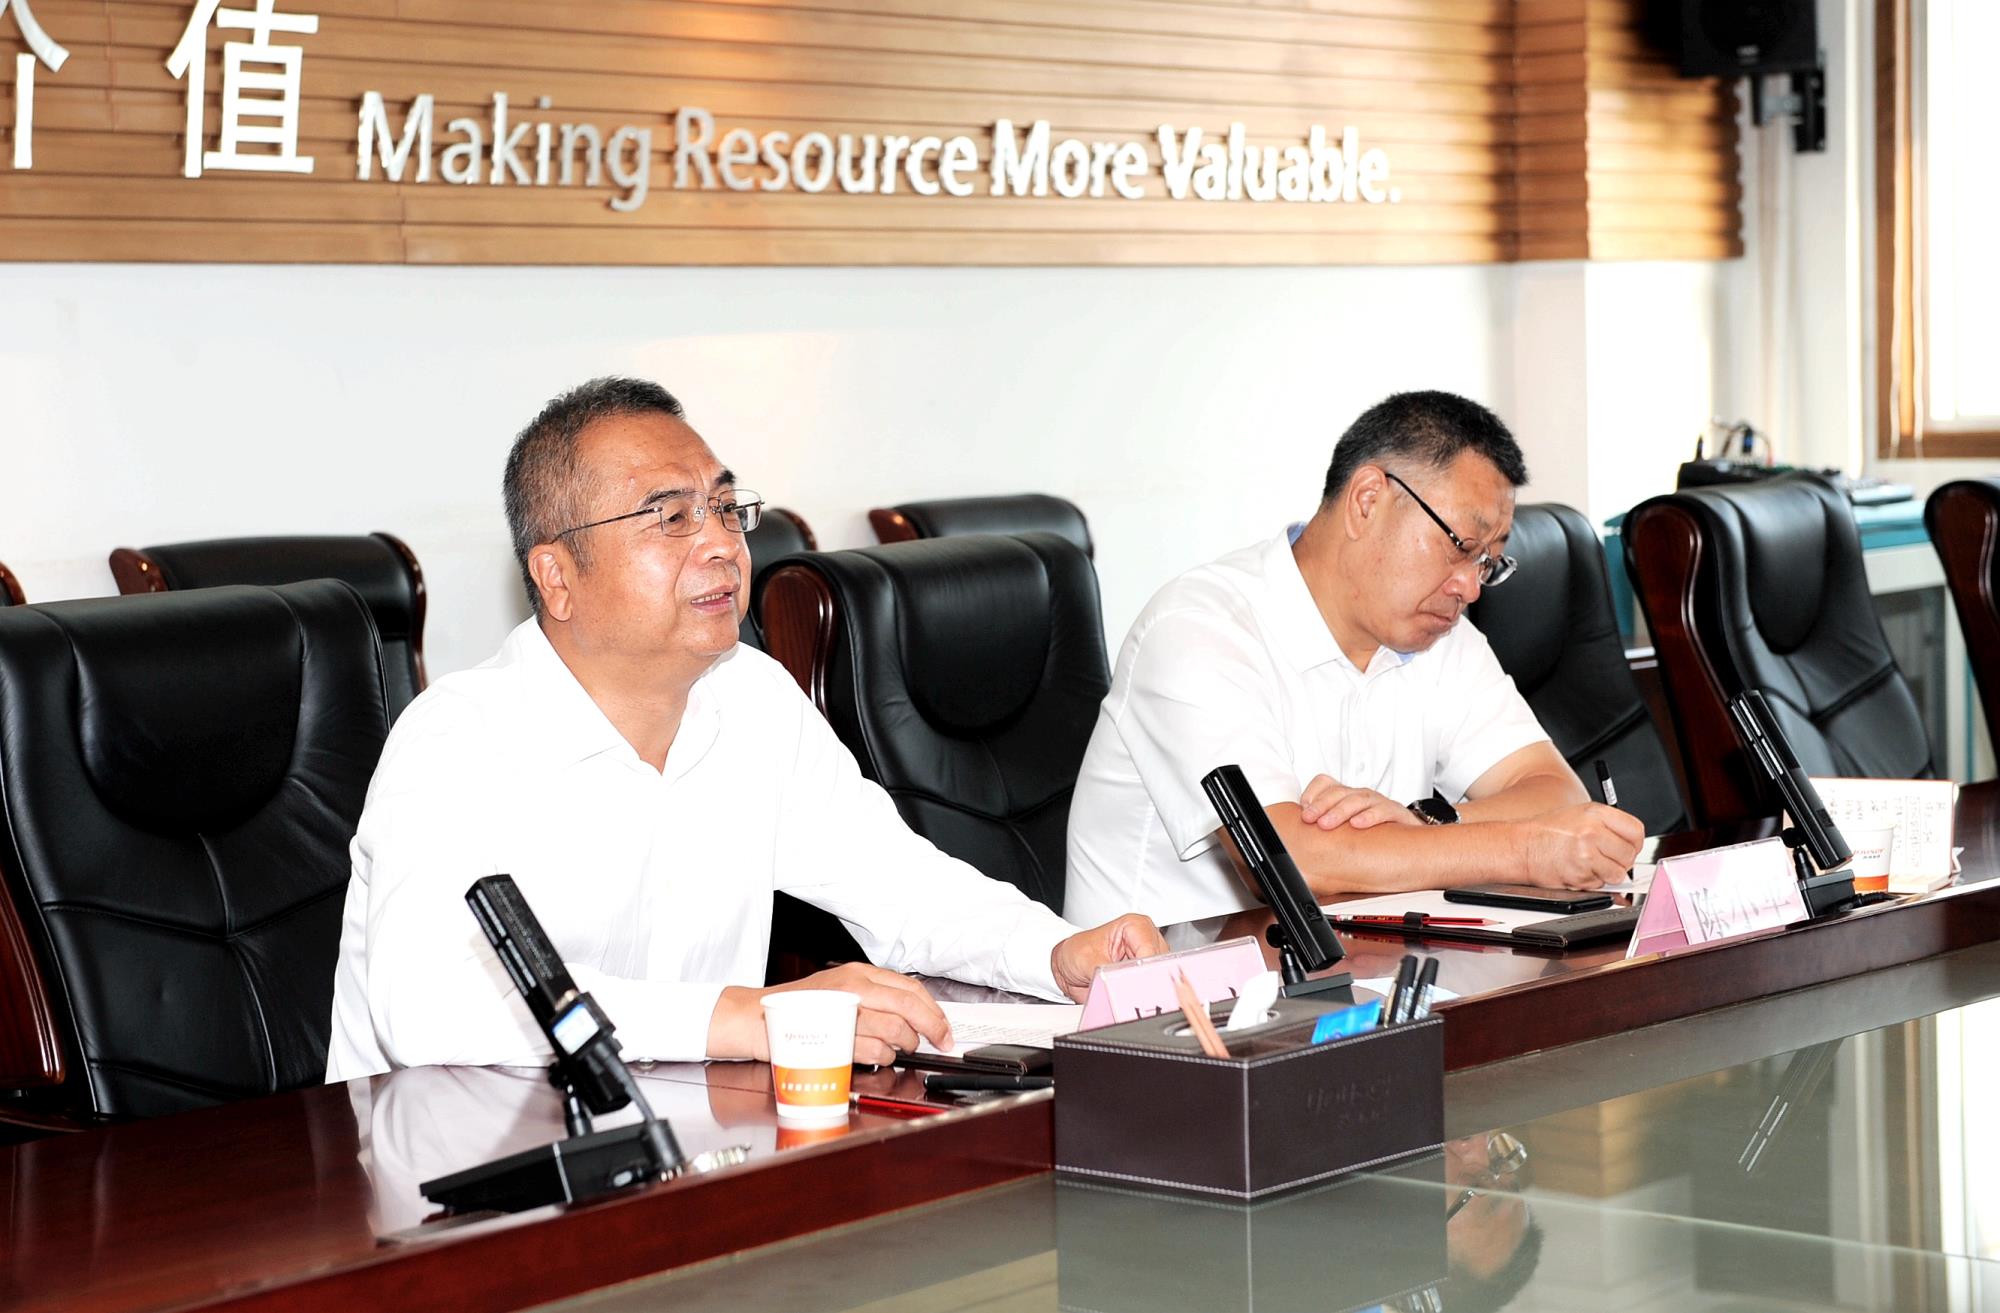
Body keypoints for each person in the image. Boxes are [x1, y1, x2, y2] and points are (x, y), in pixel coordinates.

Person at [326, 377, 1163, 1080]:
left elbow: (901, 886)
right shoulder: (459, 741)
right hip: (445, 1184)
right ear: (557, 575)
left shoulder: (751, 699)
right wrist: (745, 1015)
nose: (722, 545)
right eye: (671, 518)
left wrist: (1055, 953)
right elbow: (428, 1003)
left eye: (726, 508)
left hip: (688, 1151)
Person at [1064, 390, 1645, 927]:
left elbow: (1555, 792)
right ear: (1368, 501)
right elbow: (1284, 858)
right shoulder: (1198, 627)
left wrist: (1426, 823)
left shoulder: (1443, 637)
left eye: (1488, 562)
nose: (1470, 587)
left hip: (1356, 977)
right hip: (1170, 990)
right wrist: (1523, 850)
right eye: (1462, 547)